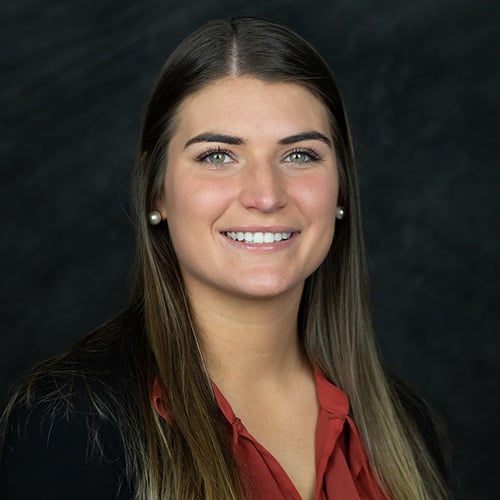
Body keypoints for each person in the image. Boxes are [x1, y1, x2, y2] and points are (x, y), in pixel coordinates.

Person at [0, 16, 450, 499]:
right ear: (158, 193)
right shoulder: (71, 425)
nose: (266, 195)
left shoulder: (405, 430)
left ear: (341, 188)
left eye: (300, 155)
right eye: (218, 155)